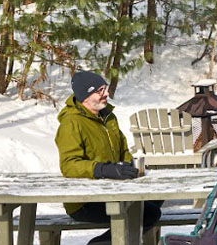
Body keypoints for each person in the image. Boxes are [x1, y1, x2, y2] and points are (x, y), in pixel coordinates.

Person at [55, 71, 163, 244]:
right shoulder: (71, 123)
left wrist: (130, 165)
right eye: (100, 90)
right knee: (149, 213)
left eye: (105, 89)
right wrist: (103, 169)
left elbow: (123, 150)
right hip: (85, 200)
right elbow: (69, 166)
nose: (106, 94)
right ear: (86, 95)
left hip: (111, 191)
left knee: (156, 196)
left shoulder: (107, 117)